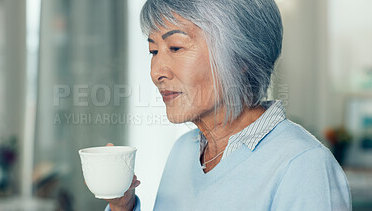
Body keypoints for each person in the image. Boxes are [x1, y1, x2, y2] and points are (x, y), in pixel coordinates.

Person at [105, 0, 352, 210]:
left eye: (176, 47)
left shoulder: (303, 165)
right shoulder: (183, 151)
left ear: (241, 56)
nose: (156, 71)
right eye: (153, 51)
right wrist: (121, 205)